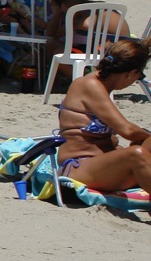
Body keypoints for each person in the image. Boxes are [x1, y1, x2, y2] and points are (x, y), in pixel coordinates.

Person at [55, 38, 151, 192]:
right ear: (131, 73)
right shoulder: (89, 85)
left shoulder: (101, 85)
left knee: (144, 145)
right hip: (79, 166)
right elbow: (128, 131)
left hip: (102, 165)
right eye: (138, 77)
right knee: (136, 153)